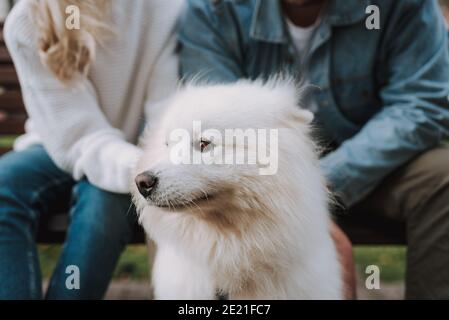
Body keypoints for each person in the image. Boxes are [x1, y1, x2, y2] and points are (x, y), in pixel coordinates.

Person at [178, 0, 449, 299]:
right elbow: (212, 130)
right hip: (262, 184)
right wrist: (302, 217)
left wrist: (315, 195)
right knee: (189, 192)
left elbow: (421, 102)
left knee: (443, 177)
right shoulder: (214, 9)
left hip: (375, 168)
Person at [0, 0, 183, 299]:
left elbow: (164, 117)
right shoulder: (28, 19)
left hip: (135, 152)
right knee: (4, 183)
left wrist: (150, 167)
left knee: (105, 202)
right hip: (59, 144)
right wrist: (138, 167)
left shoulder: (165, 8)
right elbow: (78, 136)